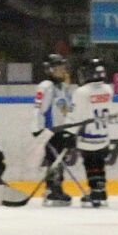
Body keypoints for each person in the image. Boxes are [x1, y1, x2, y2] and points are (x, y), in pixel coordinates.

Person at [69, 58, 114, 207]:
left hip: (87, 136)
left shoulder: (81, 92)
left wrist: (69, 133)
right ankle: (101, 191)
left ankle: (95, 192)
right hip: (103, 136)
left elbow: (76, 116)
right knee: (99, 163)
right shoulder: (108, 89)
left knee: (90, 163)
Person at [32, 54, 74, 206]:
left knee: (60, 160)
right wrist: (37, 129)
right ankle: (52, 189)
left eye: (63, 67)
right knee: (53, 160)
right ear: (49, 70)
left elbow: (68, 110)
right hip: (50, 131)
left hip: (62, 130)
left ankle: (57, 188)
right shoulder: (45, 86)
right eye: (58, 68)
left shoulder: (64, 87)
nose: (62, 70)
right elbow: (38, 108)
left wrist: (71, 130)